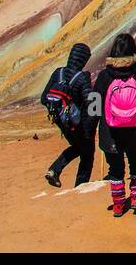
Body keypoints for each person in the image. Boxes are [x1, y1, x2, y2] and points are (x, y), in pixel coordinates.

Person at [92, 33, 136, 217]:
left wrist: (91, 127)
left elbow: (94, 106)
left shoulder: (104, 76)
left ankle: (118, 205)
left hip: (110, 131)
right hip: (135, 129)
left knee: (115, 168)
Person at [40, 42, 95, 188]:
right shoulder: (82, 77)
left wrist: (61, 114)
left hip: (60, 121)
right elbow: (91, 103)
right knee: (87, 153)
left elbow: (44, 98)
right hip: (77, 124)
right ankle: (81, 186)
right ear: (83, 60)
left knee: (77, 147)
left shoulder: (58, 72)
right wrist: (90, 127)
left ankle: (54, 170)